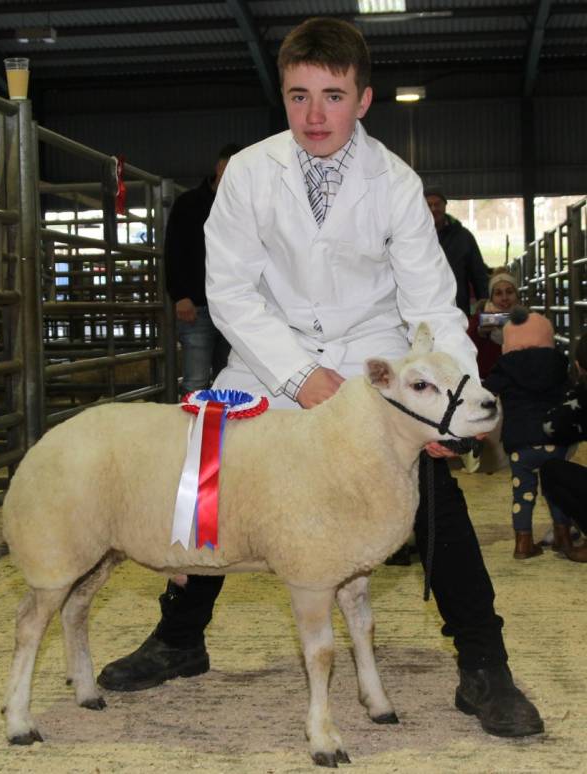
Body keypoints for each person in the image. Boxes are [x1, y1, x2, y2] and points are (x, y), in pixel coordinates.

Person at [98, 18, 543, 739]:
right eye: (299, 94)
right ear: (282, 92)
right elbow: (232, 292)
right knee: (209, 474)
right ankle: (181, 640)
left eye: (332, 96)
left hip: (371, 364)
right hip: (269, 361)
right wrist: (302, 377)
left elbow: (431, 304)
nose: (313, 114)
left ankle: (484, 664)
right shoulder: (248, 171)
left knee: (431, 487)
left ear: (363, 100)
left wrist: (448, 410)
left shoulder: (395, 183)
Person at [484, 308, 571, 559]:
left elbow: (487, 394)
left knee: (522, 492)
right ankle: (563, 538)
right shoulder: (558, 362)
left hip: (520, 442)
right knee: (557, 489)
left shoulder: (504, 366)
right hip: (554, 438)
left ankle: (523, 543)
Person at [164, 143, 241, 394]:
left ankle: (226, 434)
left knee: (229, 380)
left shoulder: (243, 208)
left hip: (233, 308)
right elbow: (173, 251)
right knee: (195, 381)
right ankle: (189, 433)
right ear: (220, 167)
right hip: (197, 307)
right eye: (233, 167)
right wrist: (180, 296)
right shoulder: (188, 204)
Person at [541, 331, 587, 562]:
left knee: (551, 471)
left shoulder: (583, 395)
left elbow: (552, 427)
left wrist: (578, 387)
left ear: (578, 366)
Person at [424, 186, 489, 316]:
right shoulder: (412, 237)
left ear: (445, 205)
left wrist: (485, 303)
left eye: (437, 204)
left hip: (457, 307)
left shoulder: (463, 237)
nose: (433, 209)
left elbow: (478, 273)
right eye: (428, 205)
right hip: (424, 306)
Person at [468, 269, 519, 380]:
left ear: (517, 295)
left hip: (518, 384)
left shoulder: (527, 319)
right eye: (498, 293)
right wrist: (479, 333)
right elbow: (466, 351)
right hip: (486, 383)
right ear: (491, 298)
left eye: (509, 292)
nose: (505, 298)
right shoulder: (478, 320)